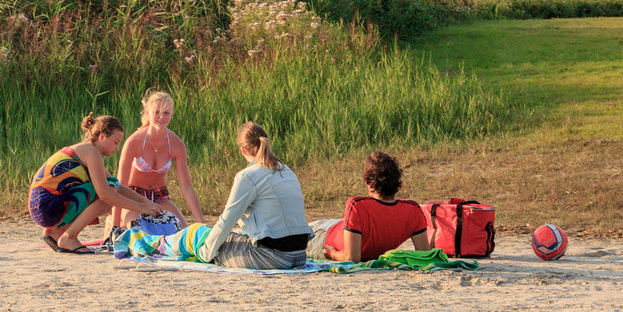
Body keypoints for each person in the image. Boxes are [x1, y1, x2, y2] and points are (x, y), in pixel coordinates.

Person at [28, 113, 163, 253]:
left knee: (111, 187)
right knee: (108, 194)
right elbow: (105, 194)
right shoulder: (92, 153)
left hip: (40, 208)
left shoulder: (86, 150)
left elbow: (118, 185)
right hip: (48, 207)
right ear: (102, 137)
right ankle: (69, 236)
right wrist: (140, 208)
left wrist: (148, 204)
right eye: (116, 142)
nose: (117, 148)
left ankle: (56, 232)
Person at [204, 121, 310, 269]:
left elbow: (227, 220)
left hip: (273, 258)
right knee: (235, 236)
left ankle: (164, 244)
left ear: (242, 150)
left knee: (210, 240)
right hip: (299, 256)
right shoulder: (287, 171)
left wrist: (205, 253)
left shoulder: (247, 176)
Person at [115, 89, 203, 229]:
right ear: (148, 113)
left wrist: (200, 223)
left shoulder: (176, 144)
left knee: (180, 230)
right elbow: (120, 186)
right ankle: (115, 222)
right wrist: (115, 226)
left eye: (166, 113)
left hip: (160, 197)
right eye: (157, 112)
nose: (161, 117)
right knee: (138, 231)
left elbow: (186, 187)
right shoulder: (134, 142)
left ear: (172, 115)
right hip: (133, 196)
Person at [321, 151, 430, 263]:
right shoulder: (412, 209)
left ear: (368, 182)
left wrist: (332, 253)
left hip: (325, 234)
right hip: (341, 225)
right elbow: (425, 255)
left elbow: (351, 258)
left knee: (308, 230)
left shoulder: (356, 205)